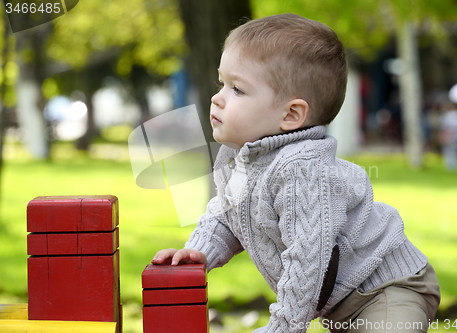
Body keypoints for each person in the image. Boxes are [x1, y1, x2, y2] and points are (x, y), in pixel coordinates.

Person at [152, 14, 440, 332]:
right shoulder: (240, 157)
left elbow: (307, 257)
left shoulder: (303, 170)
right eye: (222, 83)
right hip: (341, 303)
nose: (216, 97)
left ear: (291, 114)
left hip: (388, 287)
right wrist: (198, 253)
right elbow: (226, 215)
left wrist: (285, 326)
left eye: (237, 89)